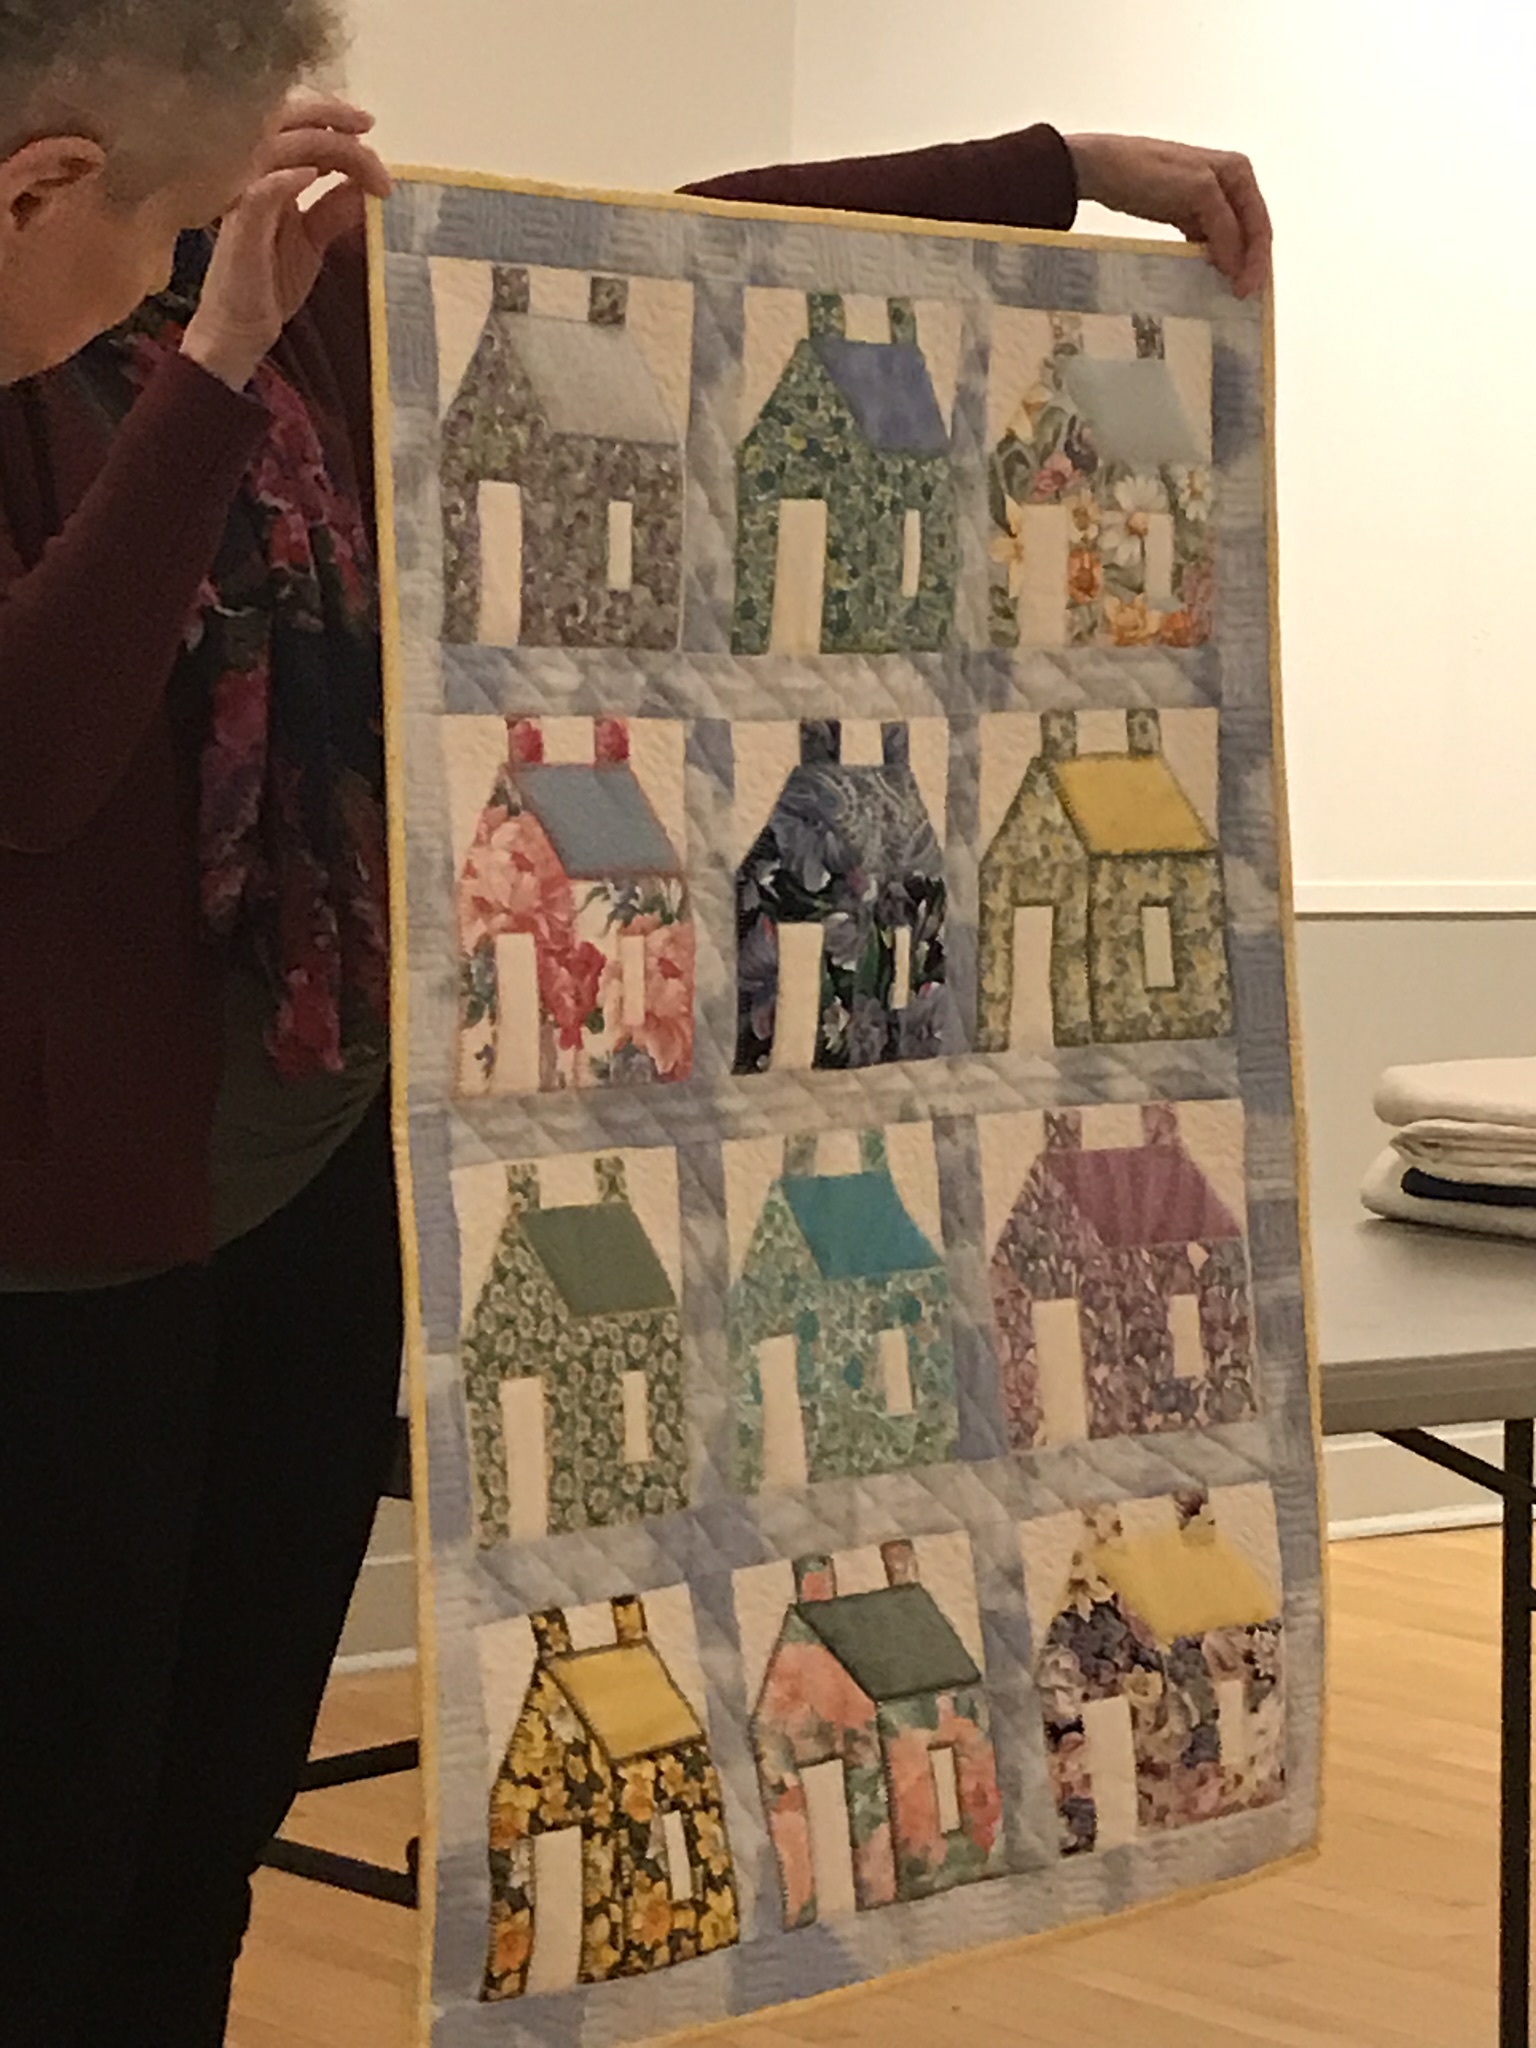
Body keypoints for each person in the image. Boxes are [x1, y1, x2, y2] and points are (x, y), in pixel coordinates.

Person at [0, 5, 1270, 2043]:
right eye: (171, 214)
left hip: (310, 1185)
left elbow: (672, 256)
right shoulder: (199, 347)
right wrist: (218, 361)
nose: (202, 244)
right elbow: (37, 752)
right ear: (48, 184)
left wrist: (1062, 166)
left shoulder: (264, 316)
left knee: (203, 1826)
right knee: (45, 1853)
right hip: (62, 1259)